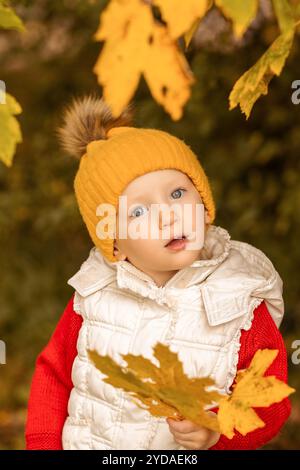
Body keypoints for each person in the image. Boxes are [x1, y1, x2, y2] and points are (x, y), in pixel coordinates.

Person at [25, 96, 291, 450]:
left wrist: (219, 427)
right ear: (115, 244)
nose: (169, 215)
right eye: (138, 211)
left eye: (177, 193)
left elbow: (270, 398)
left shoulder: (240, 302)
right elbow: (54, 376)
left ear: (205, 206)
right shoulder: (94, 297)